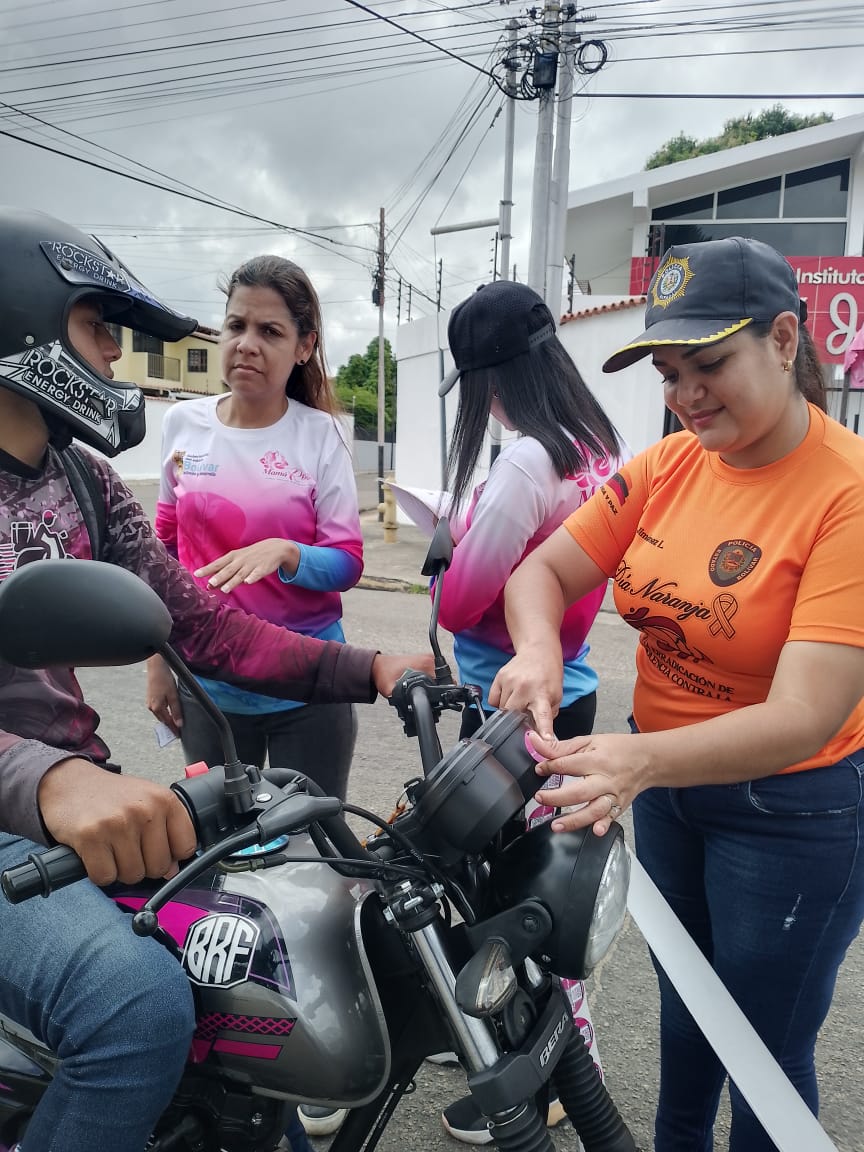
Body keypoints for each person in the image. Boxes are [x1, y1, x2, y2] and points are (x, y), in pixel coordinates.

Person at [0, 206, 430, 1152]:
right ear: (25, 321)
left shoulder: (82, 479)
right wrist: (44, 778)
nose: (113, 357)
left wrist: (377, 668)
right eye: (95, 327)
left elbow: (208, 629)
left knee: (260, 965)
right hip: (24, 818)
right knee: (135, 1007)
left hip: (79, 807)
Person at [490, 237, 864, 1151]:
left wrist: (640, 761)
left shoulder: (846, 492)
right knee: (686, 1023)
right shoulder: (667, 468)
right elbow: (540, 571)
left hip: (793, 808)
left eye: (710, 366)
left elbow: (804, 714)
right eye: (668, 373)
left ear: (785, 339)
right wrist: (538, 650)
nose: (687, 396)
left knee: (762, 1053)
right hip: (663, 794)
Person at [433, 280, 626, 1145]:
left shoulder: (523, 459)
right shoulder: (595, 444)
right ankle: (505, 1028)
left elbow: (462, 596)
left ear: (488, 379)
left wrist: (456, 535)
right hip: (572, 684)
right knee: (552, 876)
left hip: (506, 700)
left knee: (531, 892)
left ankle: (547, 1066)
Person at [145, 255, 362, 807]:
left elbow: (347, 562)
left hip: (308, 688)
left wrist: (289, 553)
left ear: (304, 347)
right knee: (216, 861)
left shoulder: (324, 436)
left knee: (313, 854)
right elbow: (160, 556)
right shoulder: (181, 425)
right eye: (236, 325)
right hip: (208, 691)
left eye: (270, 331)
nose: (246, 343)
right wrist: (158, 663)